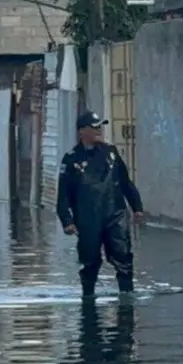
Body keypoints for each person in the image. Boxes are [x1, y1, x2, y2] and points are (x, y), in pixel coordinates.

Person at [57, 111, 145, 298]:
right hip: (88, 219)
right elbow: (63, 195)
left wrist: (137, 207)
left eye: (100, 127)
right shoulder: (71, 159)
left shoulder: (110, 153)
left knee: (123, 258)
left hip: (115, 214)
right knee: (89, 262)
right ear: (82, 131)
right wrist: (67, 221)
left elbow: (125, 182)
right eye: (94, 127)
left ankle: (126, 298)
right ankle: (88, 298)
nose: (99, 130)